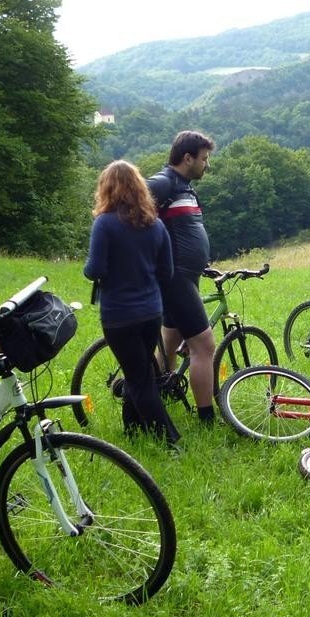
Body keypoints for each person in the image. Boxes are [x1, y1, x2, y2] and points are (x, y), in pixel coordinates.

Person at [84, 160, 180, 444]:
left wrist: (90, 268)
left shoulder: (105, 223)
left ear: (107, 189)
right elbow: (168, 272)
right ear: (140, 189)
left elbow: (95, 270)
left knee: (140, 379)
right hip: (151, 313)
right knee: (138, 370)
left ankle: (170, 440)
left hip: (119, 315)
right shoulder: (156, 225)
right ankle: (133, 430)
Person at [146, 130, 218, 424]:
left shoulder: (184, 186)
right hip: (175, 279)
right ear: (187, 158)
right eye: (204, 159)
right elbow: (127, 214)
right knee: (204, 345)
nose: (207, 165)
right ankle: (207, 419)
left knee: (171, 341)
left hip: (187, 276)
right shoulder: (163, 183)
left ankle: (159, 394)